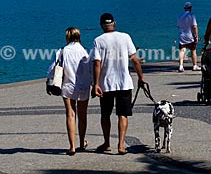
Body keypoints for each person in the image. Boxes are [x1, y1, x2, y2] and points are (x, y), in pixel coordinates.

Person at [91, 13, 144, 155]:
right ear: (114, 23)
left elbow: (97, 63)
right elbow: (134, 59)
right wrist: (140, 77)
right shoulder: (125, 37)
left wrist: (95, 84)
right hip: (124, 83)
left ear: (101, 25)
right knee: (122, 114)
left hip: (105, 84)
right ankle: (121, 145)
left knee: (105, 115)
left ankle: (107, 143)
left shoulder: (98, 40)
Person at [48, 27, 91, 156]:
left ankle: (72, 146)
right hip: (83, 86)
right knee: (82, 115)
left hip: (68, 85)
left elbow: (52, 69)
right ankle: (82, 142)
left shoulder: (62, 51)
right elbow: (90, 69)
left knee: (70, 114)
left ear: (67, 37)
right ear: (79, 37)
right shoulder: (85, 51)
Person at [177, 2, 200, 72]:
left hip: (182, 35)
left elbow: (178, 26)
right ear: (190, 8)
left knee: (182, 50)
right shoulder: (192, 15)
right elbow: (194, 27)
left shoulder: (180, 16)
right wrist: (196, 36)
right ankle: (194, 65)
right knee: (193, 50)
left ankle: (181, 66)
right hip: (190, 36)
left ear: (184, 8)